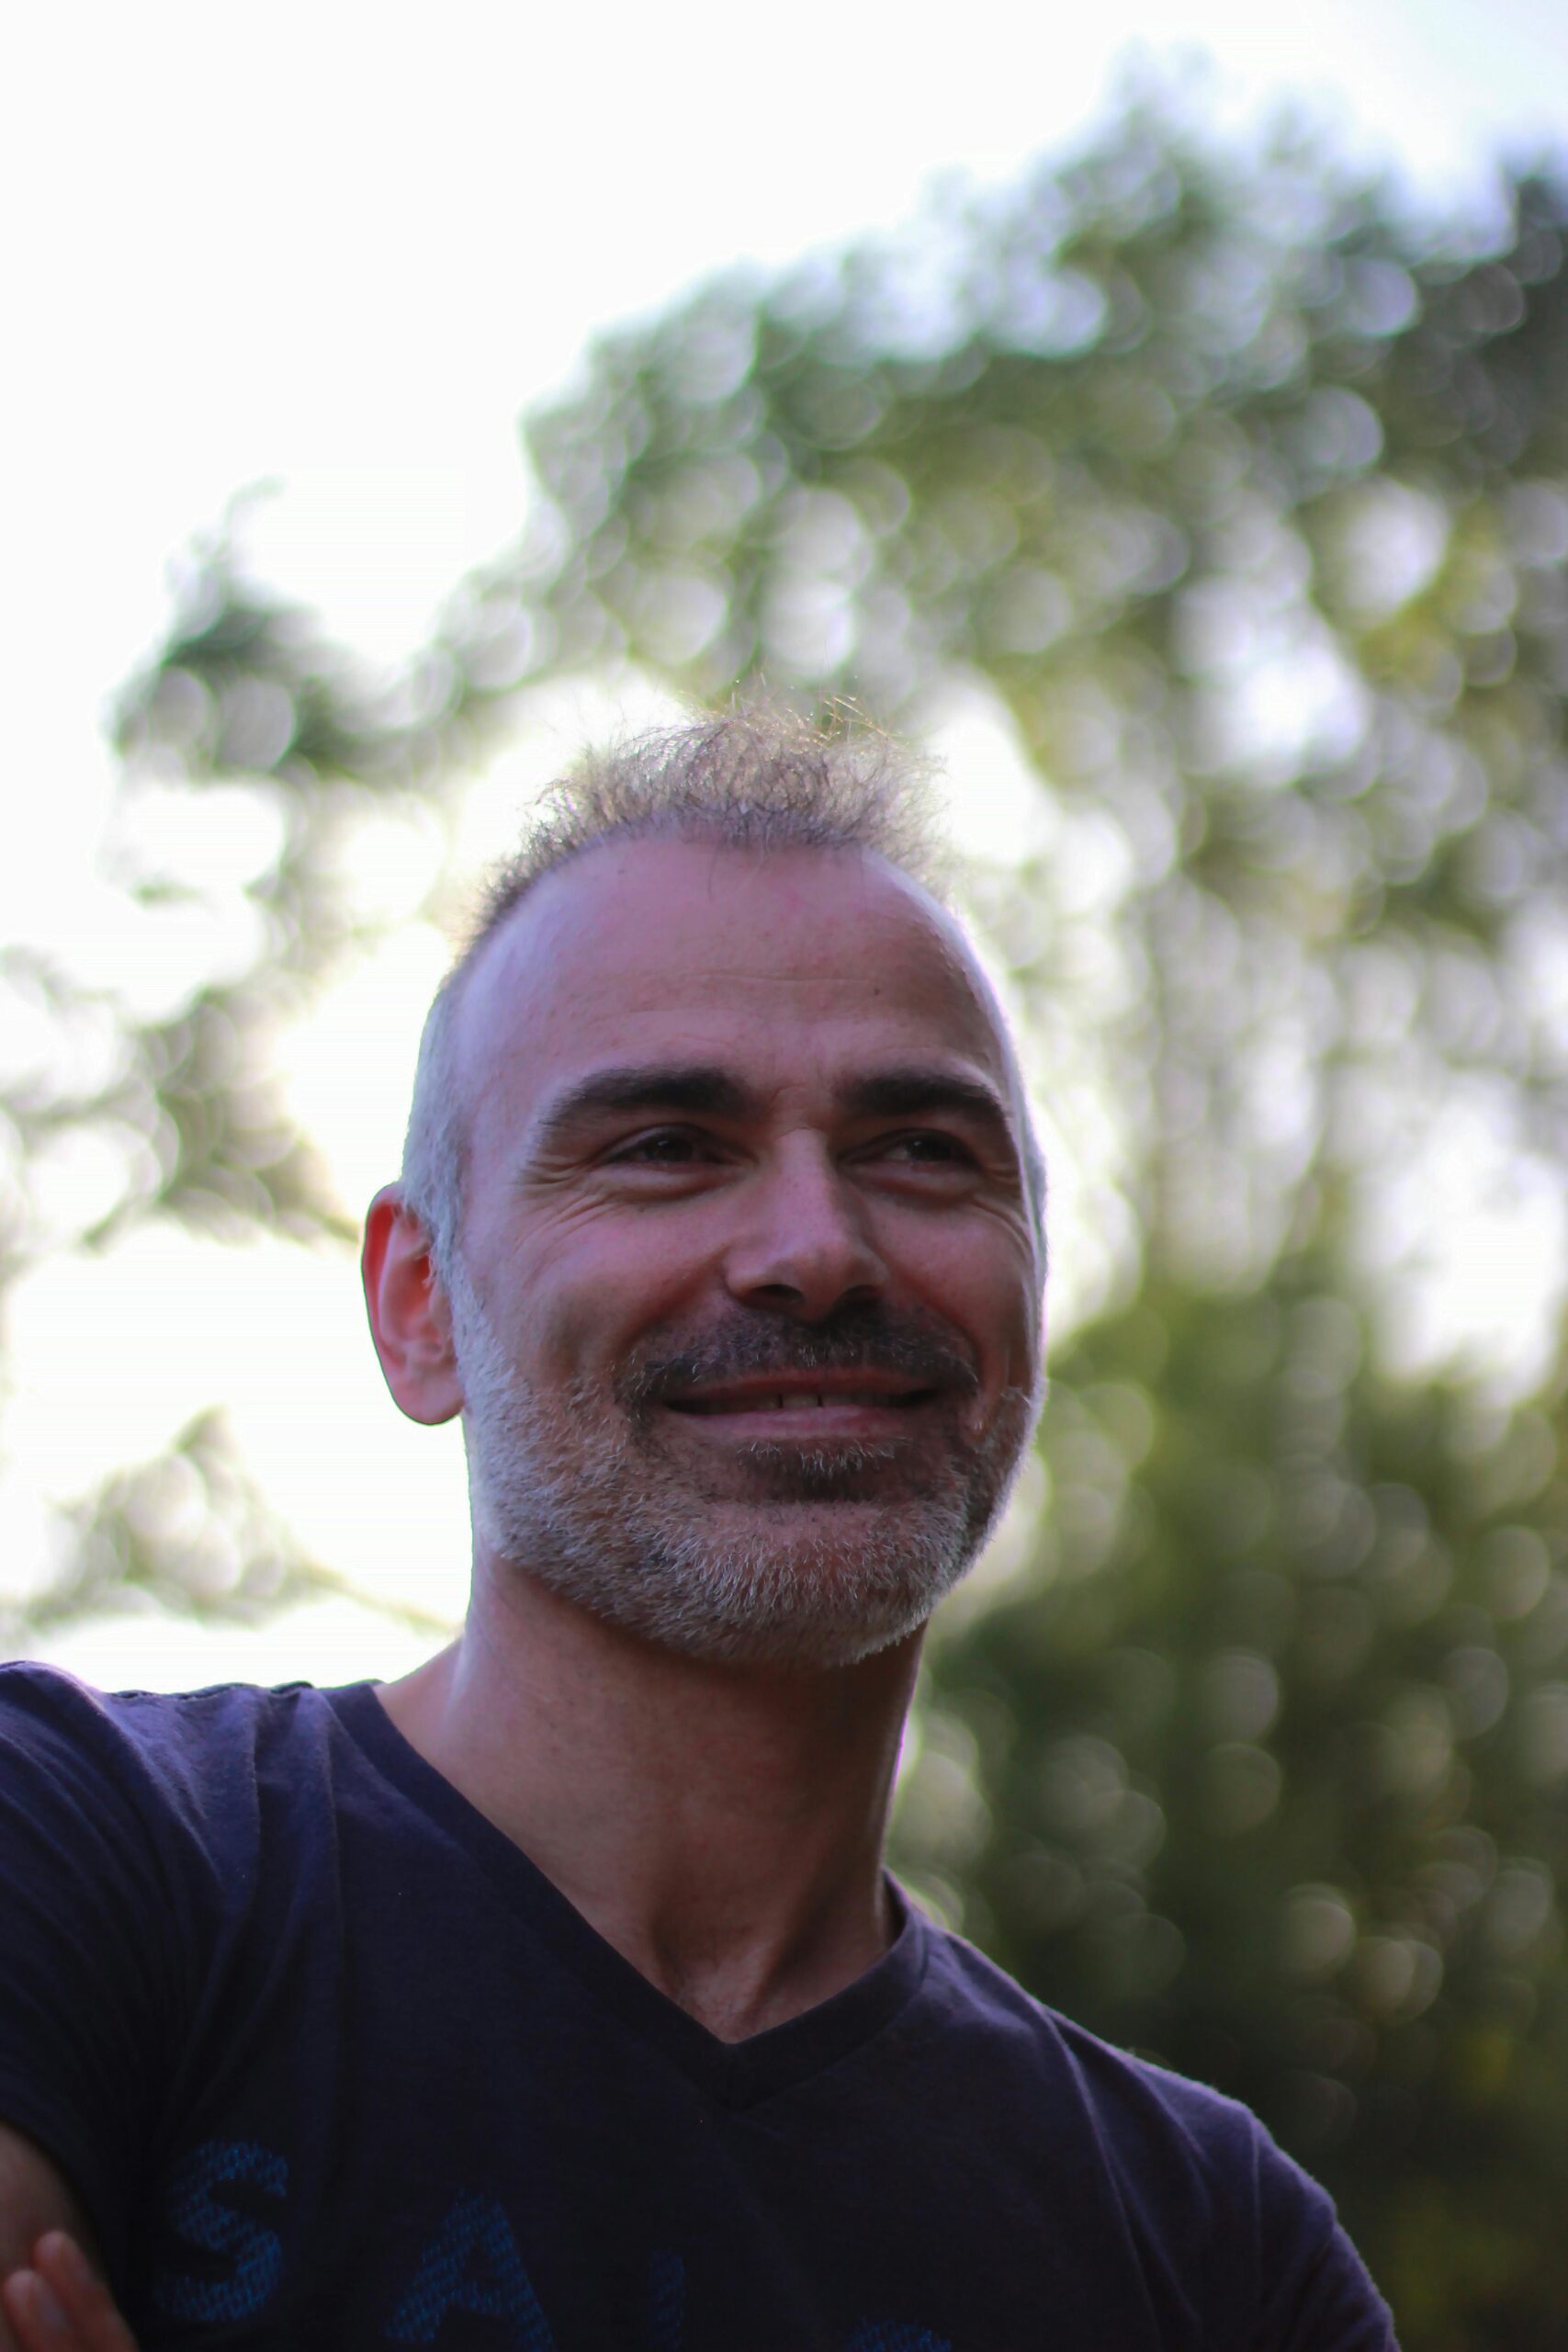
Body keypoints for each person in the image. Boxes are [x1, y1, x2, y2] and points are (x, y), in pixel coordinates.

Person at [0, 712, 1398, 2350]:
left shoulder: (1217, 2257)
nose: (817, 1245)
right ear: (419, 1305)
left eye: (922, 1151)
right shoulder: (77, 1861)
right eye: (666, 1148)